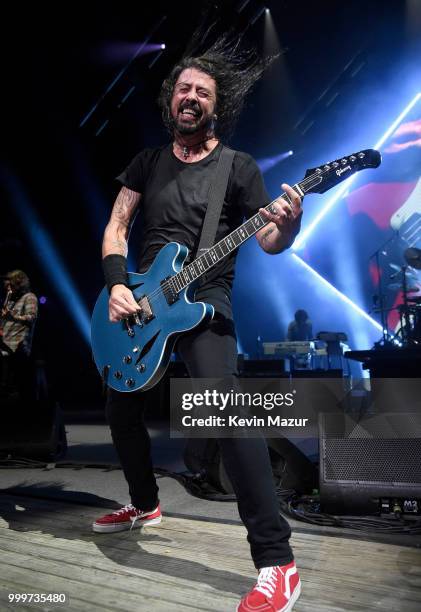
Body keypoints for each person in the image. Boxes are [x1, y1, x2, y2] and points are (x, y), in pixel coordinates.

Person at [93, 42, 303, 612]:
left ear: (217, 106)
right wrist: (118, 283)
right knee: (120, 410)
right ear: (171, 100)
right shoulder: (146, 162)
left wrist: (290, 223)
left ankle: (277, 564)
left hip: (205, 303)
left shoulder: (238, 167)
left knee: (227, 416)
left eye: (203, 93)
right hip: (141, 303)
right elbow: (116, 227)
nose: (191, 97)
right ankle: (144, 503)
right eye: (184, 88)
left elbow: (269, 240)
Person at [0, 270, 38, 393]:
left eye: (10, 286)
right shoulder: (10, 300)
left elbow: (31, 317)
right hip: (5, 347)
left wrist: (13, 317)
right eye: (7, 287)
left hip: (18, 347)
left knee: (16, 385)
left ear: (18, 283)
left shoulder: (29, 297)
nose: (8, 289)